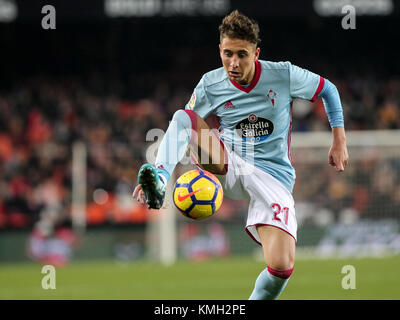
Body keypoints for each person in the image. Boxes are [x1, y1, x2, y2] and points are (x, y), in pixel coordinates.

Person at [133, 10, 349, 300]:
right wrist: (162, 167)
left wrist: (339, 140)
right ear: (220, 50)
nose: (233, 63)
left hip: (273, 176)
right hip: (229, 160)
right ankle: (159, 180)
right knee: (183, 116)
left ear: (256, 53)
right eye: (227, 53)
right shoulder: (211, 83)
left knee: (281, 268)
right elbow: (183, 127)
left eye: (242, 55)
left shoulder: (283, 75)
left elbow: (328, 90)